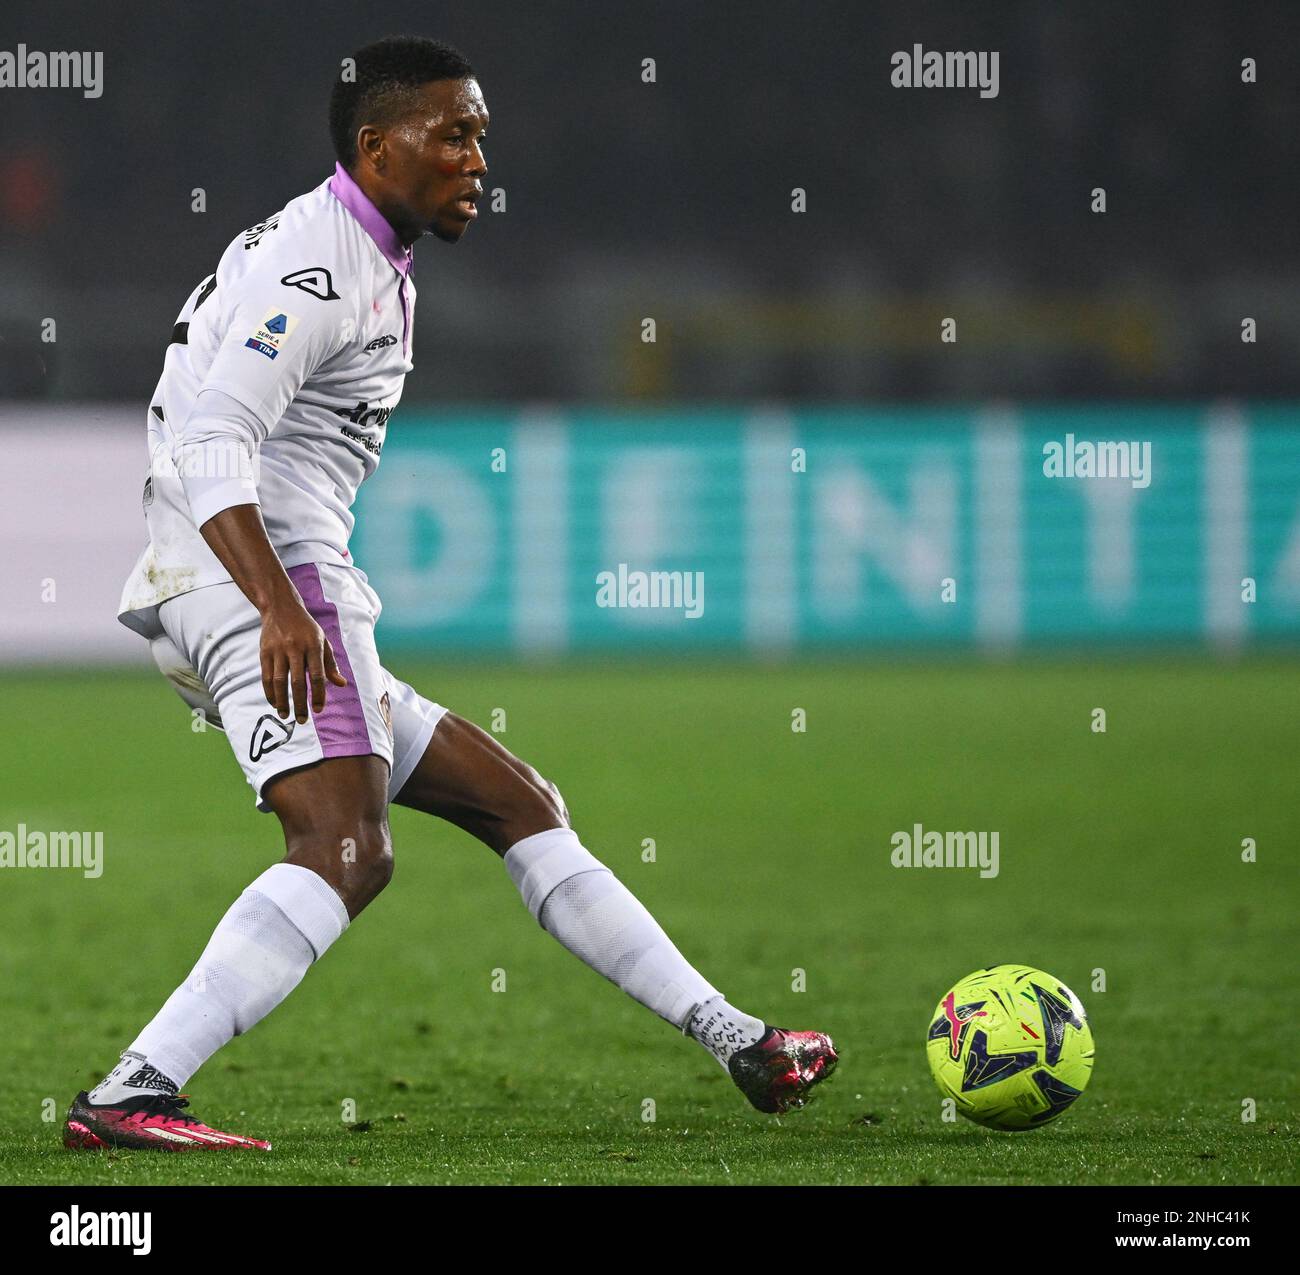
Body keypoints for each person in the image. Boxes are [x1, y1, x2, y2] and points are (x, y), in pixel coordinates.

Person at [65, 35, 835, 1152]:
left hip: (239, 574)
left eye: (482, 134)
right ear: (377, 147)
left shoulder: (357, 250)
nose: (479, 159)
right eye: (455, 134)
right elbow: (211, 436)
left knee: (514, 799)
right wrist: (280, 606)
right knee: (348, 848)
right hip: (265, 573)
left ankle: (741, 1041)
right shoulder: (320, 268)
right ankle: (136, 1090)